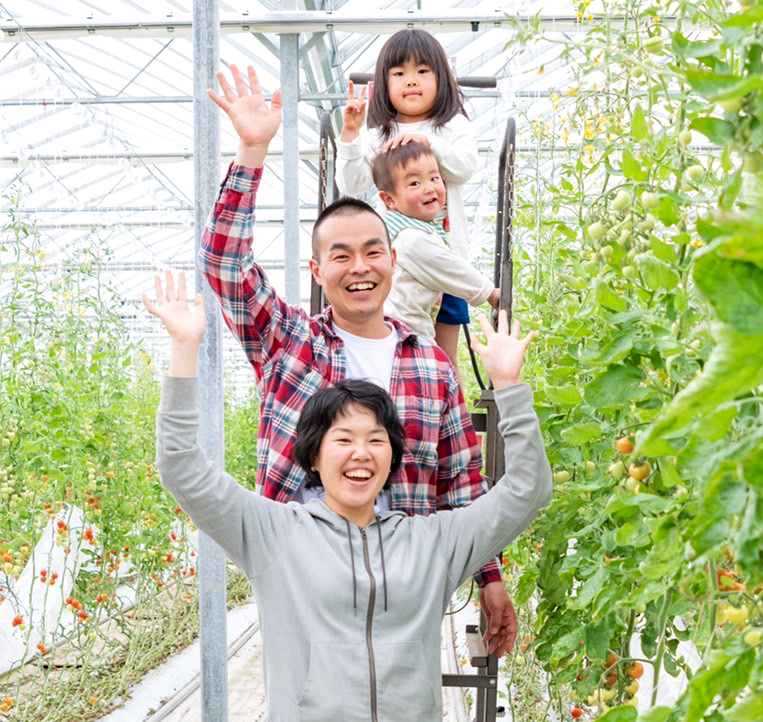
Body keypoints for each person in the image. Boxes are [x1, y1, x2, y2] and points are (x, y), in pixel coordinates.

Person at [201, 63, 514, 654]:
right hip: (305, 576)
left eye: (373, 251)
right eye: (340, 256)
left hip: (407, 581)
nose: (360, 267)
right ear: (318, 272)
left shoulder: (428, 365)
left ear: (394, 261)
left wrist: (490, 577)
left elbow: (462, 480)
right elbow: (224, 265)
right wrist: (250, 152)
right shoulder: (290, 345)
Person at [147, 269, 552, 722]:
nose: (361, 453)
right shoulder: (274, 534)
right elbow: (182, 467)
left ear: (393, 457)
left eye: (376, 440)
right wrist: (183, 349)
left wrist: (511, 387)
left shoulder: (435, 542)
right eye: (343, 440)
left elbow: (527, 489)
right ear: (314, 459)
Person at [335, 28, 479, 376]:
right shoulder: (378, 136)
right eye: (399, 73)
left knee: (445, 356)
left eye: (422, 71)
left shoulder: (452, 127)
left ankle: (450, 423)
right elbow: (351, 184)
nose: (410, 81)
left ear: (441, 78)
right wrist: (351, 137)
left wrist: (429, 144)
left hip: (446, 260)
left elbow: (463, 168)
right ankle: (397, 420)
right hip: (400, 269)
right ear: (383, 84)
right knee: (399, 347)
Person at [373, 140, 499, 343]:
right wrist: (489, 293)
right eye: (415, 183)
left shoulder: (395, 228)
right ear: (389, 200)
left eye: (434, 178)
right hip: (404, 332)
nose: (429, 188)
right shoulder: (410, 237)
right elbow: (448, 266)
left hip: (393, 329)